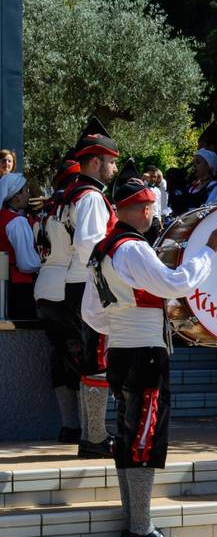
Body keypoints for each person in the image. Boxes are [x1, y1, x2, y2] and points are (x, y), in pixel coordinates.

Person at [82, 165, 217, 537]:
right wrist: (209, 253)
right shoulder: (133, 247)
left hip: (120, 351)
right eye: (149, 208)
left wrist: (121, 322)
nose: (153, 214)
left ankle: (137, 524)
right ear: (142, 210)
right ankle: (141, 529)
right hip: (146, 352)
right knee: (144, 437)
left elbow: (90, 312)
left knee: (130, 436)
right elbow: (174, 283)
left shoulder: (103, 250)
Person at [64, 119, 120, 458]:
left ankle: (92, 435)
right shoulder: (92, 197)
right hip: (93, 287)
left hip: (77, 284)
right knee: (97, 363)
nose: (114, 167)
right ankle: (95, 440)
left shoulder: (74, 193)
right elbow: (90, 243)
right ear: (96, 161)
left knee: (91, 364)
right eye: (111, 161)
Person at [34, 157, 84, 442]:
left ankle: (69, 425)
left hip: (44, 289)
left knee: (60, 357)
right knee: (83, 358)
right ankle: (91, 431)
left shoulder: (45, 210)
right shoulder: (75, 205)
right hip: (69, 286)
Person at [0, 173, 41, 318]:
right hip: (18, 285)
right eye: (25, 191)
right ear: (16, 196)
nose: (28, 195)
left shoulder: (3, 217)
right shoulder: (18, 222)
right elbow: (26, 263)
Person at [176, 149, 217, 213]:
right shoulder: (192, 187)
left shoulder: (215, 188)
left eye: (198, 162)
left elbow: (211, 212)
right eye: (193, 163)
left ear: (209, 166)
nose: (194, 166)